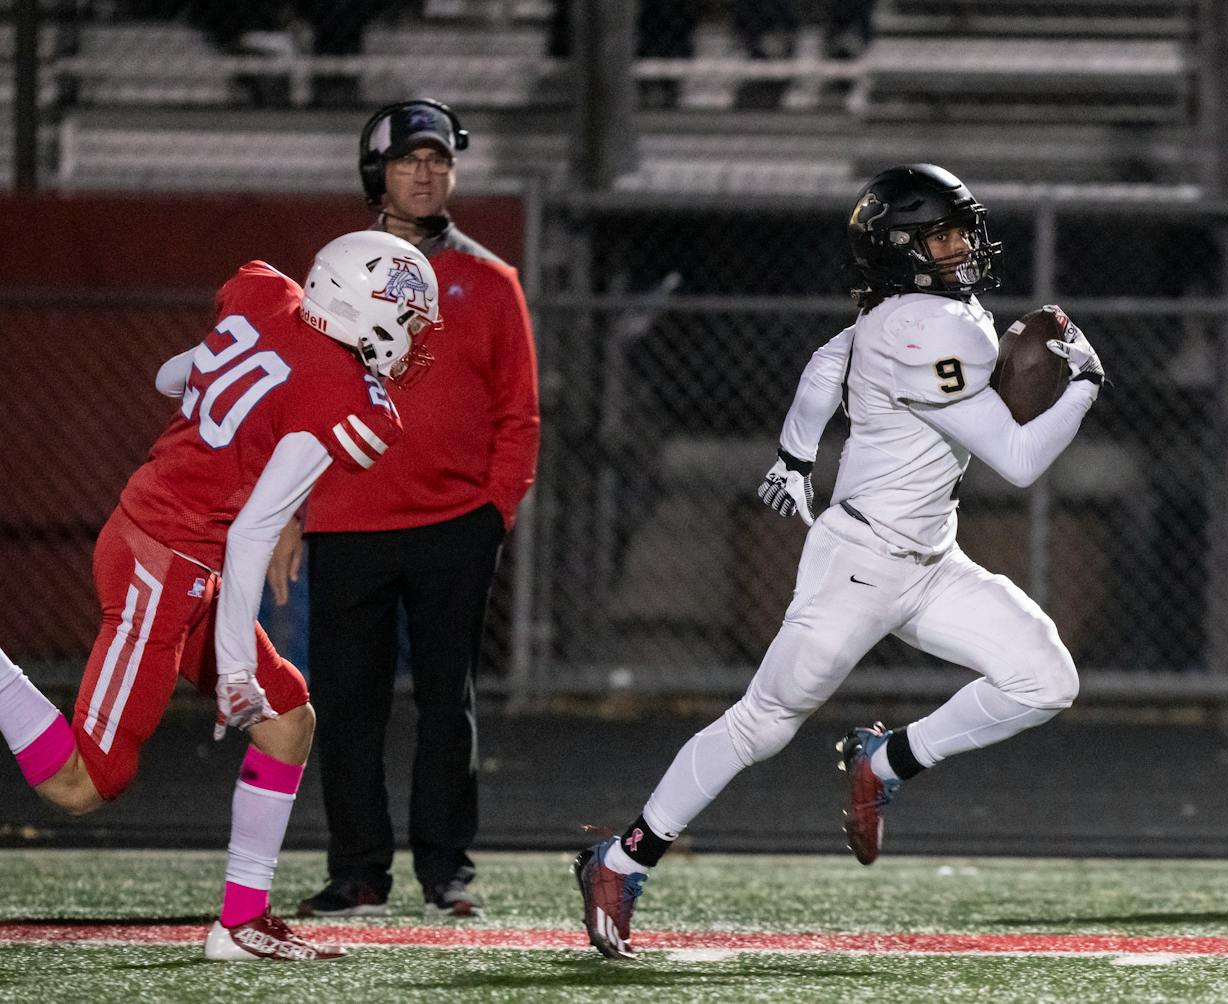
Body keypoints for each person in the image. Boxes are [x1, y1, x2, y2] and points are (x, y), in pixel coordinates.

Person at [573, 163, 1106, 959]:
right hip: (859, 565)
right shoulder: (930, 326)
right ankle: (620, 859)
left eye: (962, 229)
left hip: (929, 558)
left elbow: (829, 362)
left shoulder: (905, 315)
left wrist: (795, 455)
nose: (963, 245)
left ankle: (885, 760)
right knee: (764, 722)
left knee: (1046, 679)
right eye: (942, 234)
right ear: (900, 250)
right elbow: (1021, 460)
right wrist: (1087, 383)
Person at [0, 230, 440, 960]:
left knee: (289, 721)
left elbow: (173, 377)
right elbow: (250, 539)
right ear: (365, 306)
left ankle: (239, 924)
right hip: (165, 560)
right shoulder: (336, 389)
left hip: (180, 553)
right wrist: (235, 670)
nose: (416, 336)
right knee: (83, 784)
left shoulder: (270, 297)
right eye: (411, 317)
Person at [271, 98, 540, 919]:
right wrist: (287, 512)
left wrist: (491, 512)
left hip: (454, 529)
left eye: (438, 159)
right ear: (375, 173)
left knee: (444, 706)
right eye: (407, 159)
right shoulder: (330, 281)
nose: (425, 172)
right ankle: (358, 871)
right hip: (347, 522)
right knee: (346, 706)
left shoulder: (491, 282)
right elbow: (296, 405)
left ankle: (445, 870)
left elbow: (519, 415)